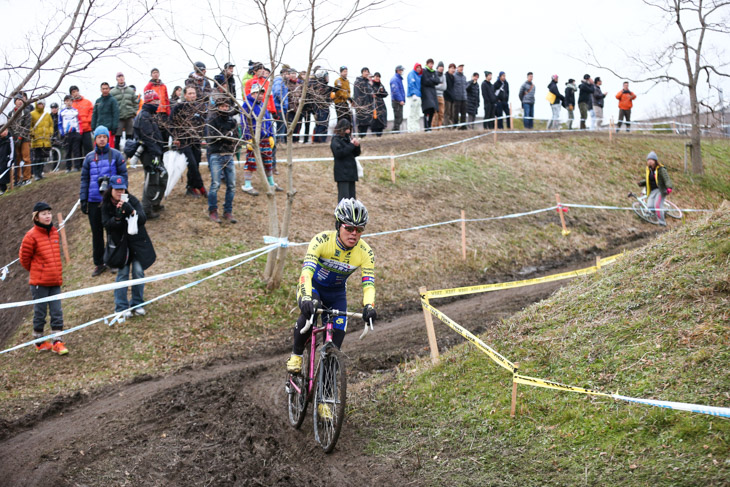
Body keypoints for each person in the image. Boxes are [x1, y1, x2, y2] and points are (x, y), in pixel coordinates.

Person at [286, 198, 377, 375]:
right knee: (311, 310)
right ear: (338, 225)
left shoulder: (366, 252)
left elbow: (368, 285)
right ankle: (296, 355)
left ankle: (325, 399)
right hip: (313, 288)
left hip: (337, 295)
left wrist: (369, 306)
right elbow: (306, 273)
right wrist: (305, 297)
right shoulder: (321, 241)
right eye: (349, 228)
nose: (354, 234)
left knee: (334, 346)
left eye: (359, 230)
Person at [101, 175, 156, 319]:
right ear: (111, 189)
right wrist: (118, 218)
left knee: (138, 272)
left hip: (137, 243)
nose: (120, 192)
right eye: (117, 189)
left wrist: (131, 211)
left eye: (122, 189)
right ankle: (121, 307)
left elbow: (143, 219)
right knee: (123, 274)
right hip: (120, 246)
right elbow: (106, 224)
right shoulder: (106, 205)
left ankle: (137, 304)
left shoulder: (131, 200)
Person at [19, 201, 68, 355]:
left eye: (49, 213)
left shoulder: (54, 232)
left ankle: (57, 342)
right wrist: (37, 271)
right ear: (36, 217)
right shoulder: (31, 235)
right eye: (44, 214)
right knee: (40, 313)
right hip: (39, 283)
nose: (47, 216)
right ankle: (39, 342)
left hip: (55, 280)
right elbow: (24, 258)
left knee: (57, 312)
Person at [80, 125, 128, 277]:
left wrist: (123, 197)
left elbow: (124, 177)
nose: (102, 139)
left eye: (104, 137)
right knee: (97, 233)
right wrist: (83, 199)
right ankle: (99, 263)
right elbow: (84, 180)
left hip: (111, 200)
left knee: (113, 231)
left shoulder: (116, 155)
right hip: (94, 201)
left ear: (108, 138)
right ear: (95, 139)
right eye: (99, 137)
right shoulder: (88, 158)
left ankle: (113, 260)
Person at [241, 85, 282, 197]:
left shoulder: (263, 105)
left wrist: (271, 136)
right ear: (253, 93)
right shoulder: (246, 105)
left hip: (265, 139)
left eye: (262, 93)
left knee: (268, 162)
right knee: (251, 162)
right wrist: (248, 138)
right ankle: (247, 185)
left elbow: (268, 121)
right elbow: (244, 123)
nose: (260, 95)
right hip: (254, 139)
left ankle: (271, 183)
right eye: (258, 93)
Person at [134, 90, 168, 219]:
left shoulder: (151, 115)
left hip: (156, 153)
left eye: (158, 101)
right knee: (152, 181)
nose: (158, 103)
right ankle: (146, 210)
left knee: (163, 178)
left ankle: (155, 203)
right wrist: (156, 154)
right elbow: (149, 138)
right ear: (149, 102)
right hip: (150, 155)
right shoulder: (144, 116)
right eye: (155, 101)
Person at [206, 96, 240, 222]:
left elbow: (236, 136)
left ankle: (228, 211)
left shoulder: (232, 120)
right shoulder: (212, 119)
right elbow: (214, 137)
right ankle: (213, 211)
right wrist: (228, 135)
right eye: (222, 106)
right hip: (216, 154)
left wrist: (226, 136)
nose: (225, 108)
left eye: (227, 106)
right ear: (218, 107)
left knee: (231, 185)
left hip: (229, 154)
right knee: (215, 184)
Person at [171, 86, 207, 198]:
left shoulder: (199, 107)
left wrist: (204, 136)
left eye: (194, 93)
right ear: (185, 95)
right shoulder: (179, 107)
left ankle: (190, 187)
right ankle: (201, 187)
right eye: (190, 93)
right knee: (191, 164)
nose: (192, 96)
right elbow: (171, 123)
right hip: (183, 141)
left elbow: (203, 122)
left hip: (196, 140)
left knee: (196, 163)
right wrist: (175, 137)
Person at [638, 151, 673, 226]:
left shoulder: (661, 169)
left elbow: (666, 178)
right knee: (650, 207)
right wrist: (642, 183)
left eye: (651, 160)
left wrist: (669, 187)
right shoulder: (649, 170)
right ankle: (663, 212)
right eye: (648, 160)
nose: (650, 162)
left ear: (655, 161)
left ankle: (662, 223)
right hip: (653, 191)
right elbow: (649, 180)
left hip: (661, 190)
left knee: (657, 206)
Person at [331, 119, 361, 202]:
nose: (348, 131)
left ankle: (352, 213)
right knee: (344, 198)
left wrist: (357, 146)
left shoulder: (348, 139)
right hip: (342, 173)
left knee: (352, 198)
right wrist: (351, 145)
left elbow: (356, 154)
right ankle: (342, 214)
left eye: (349, 129)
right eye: (347, 128)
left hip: (351, 172)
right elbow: (339, 153)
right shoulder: (335, 140)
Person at [8, 94, 32, 185]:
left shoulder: (26, 112)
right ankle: (17, 179)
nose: (20, 101)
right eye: (17, 99)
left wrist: (20, 137)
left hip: (25, 138)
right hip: (14, 139)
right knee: (16, 159)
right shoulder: (11, 113)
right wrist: (14, 137)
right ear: (15, 101)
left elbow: (27, 126)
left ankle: (27, 178)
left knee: (26, 158)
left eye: (21, 99)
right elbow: (9, 127)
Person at [110, 72, 137, 150]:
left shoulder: (130, 90)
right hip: (119, 118)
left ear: (124, 78)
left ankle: (129, 155)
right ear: (116, 79)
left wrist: (134, 112)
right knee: (117, 138)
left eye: (122, 76)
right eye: (119, 77)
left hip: (129, 117)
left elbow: (135, 103)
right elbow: (111, 105)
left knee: (129, 138)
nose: (121, 78)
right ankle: (117, 155)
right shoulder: (112, 92)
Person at [91, 82, 120, 148]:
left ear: (109, 89)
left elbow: (116, 114)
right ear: (101, 90)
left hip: (109, 129)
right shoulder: (98, 101)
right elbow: (94, 114)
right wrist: (93, 127)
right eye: (103, 89)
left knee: (109, 147)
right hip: (98, 128)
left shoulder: (113, 100)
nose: (105, 90)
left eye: (106, 89)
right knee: (97, 147)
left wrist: (114, 127)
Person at [30, 100, 54, 180]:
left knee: (43, 157)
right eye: (39, 104)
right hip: (36, 140)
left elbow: (51, 125)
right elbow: (30, 126)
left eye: (42, 104)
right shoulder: (32, 114)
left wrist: (50, 133)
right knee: (37, 158)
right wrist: (33, 134)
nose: (41, 105)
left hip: (46, 141)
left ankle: (40, 173)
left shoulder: (47, 115)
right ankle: (36, 174)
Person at [58, 95, 83, 172]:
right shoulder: (62, 112)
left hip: (75, 133)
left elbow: (80, 122)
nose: (69, 103)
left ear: (72, 102)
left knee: (76, 150)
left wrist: (80, 132)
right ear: (65, 102)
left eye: (70, 101)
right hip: (66, 134)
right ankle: (68, 167)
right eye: (67, 101)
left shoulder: (76, 111)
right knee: (67, 151)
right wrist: (62, 132)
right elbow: (59, 123)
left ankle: (77, 166)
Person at [70, 85, 94, 155]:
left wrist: (88, 121)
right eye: (73, 92)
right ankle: (79, 165)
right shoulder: (71, 105)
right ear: (71, 94)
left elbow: (91, 112)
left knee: (88, 149)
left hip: (86, 129)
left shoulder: (87, 102)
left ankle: (89, 164)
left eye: (77, 91)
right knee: (77, 150)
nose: (76, 93)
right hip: (76, 131)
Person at [311, 70, 333, 143]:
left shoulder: (326, 86)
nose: (328, 78)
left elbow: (329, 99)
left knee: (325, 125)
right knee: (321, 125)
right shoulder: (318, 87)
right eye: (326, 76)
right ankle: (319, 140)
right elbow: (320, 98)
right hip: (320, 109)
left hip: (325, 108)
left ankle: (322, 140)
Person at [353, 67, 374, 137]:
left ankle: (363, 137)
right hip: (361, 106)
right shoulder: (358, 82)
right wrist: (359, 106)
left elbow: (370, 94)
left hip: (368, 106)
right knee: (361, 123)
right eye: (365, 71)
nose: (367, 73)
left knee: (367, 123)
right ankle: (360, 137)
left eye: (368, 71)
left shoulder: (367, 82)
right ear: (362, 73)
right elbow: (357, 95)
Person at [286, 69, 304, 142]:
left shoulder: (299, 85)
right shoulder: (286, 84)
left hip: (297, 108)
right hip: (289, 108)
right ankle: (288, 140)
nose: (293, 75)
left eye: (295, 73)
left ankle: (296, 140)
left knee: (298, 125)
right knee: (289, 124)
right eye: (292, 73)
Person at [420, 59, 439, 131]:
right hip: (426, 93)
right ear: (427, 64)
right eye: (430, 64)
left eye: (432, 64)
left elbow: (437, 80)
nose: (431, 65)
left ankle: (429, 126)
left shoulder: (434, 72)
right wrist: (432, 80)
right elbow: (425, 81)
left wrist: (432, 80)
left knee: (432, 110)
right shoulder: (424, 71)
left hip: (433, 93)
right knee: (427, 110)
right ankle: (426, 127)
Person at [370, 72, 389, 137]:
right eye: (376, 76)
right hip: (374, 104)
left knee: (382, 118)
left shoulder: (381, 85)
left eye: (378, 77)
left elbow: (386, 94)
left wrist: (380, 93)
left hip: (381, 104)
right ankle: (374, 133)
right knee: (374, 119)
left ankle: (380, 134)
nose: (377, 78)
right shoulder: (371, 84)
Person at [407, 63, 423, 132]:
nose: (419, 69)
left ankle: (416, 129)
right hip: (413, 96)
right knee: (412, 113)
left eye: (420, 67)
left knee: (417, 114)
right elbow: (411, 84)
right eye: (417, 67)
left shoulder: (419, 76)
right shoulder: (411, 74)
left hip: (419, 96)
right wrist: (413, 93)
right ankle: (411, 129)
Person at [389, 65, 405, 132]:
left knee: (400, 118)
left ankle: (396, 131)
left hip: (399, 101)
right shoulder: (394, 79)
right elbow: (395, 91)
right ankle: (395, 131)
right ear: (398, 70)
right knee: (398, 118)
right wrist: (400, 100)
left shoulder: (398, 79)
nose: (402, 71)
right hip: (396, 101)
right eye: (401, 70)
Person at [452, 64, 468, 129]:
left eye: (462, 67)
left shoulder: (464, 77)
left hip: (464, 97)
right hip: (456, 97)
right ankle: (455, 126)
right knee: (455, 113)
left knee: (463, 113)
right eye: (460, 67)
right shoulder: (454, 76)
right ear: (457, 68)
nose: (461, 68)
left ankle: (463, 126)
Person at [433, 61, 447, 128]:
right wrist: (439, 85)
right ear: (437, 67)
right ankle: (434, 128)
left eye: (442, 68)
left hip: (441, 96)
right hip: (434, 96)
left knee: (441, 113)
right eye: (440, 67)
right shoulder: (434, 74)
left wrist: (438, 85)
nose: (441, 69)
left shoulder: (444, 76)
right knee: (434, 113)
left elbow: (444, 87)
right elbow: (433, 86)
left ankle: (439, 127)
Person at [0, 122, 13, 194]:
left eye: (6, 130)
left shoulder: (9, 139)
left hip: (6, 160)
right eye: (3, 131)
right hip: (0, 159)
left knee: (4, 174)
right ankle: (2, 188)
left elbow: (12, 150)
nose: (5, 132)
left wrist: (10, 160)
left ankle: (4, 189)